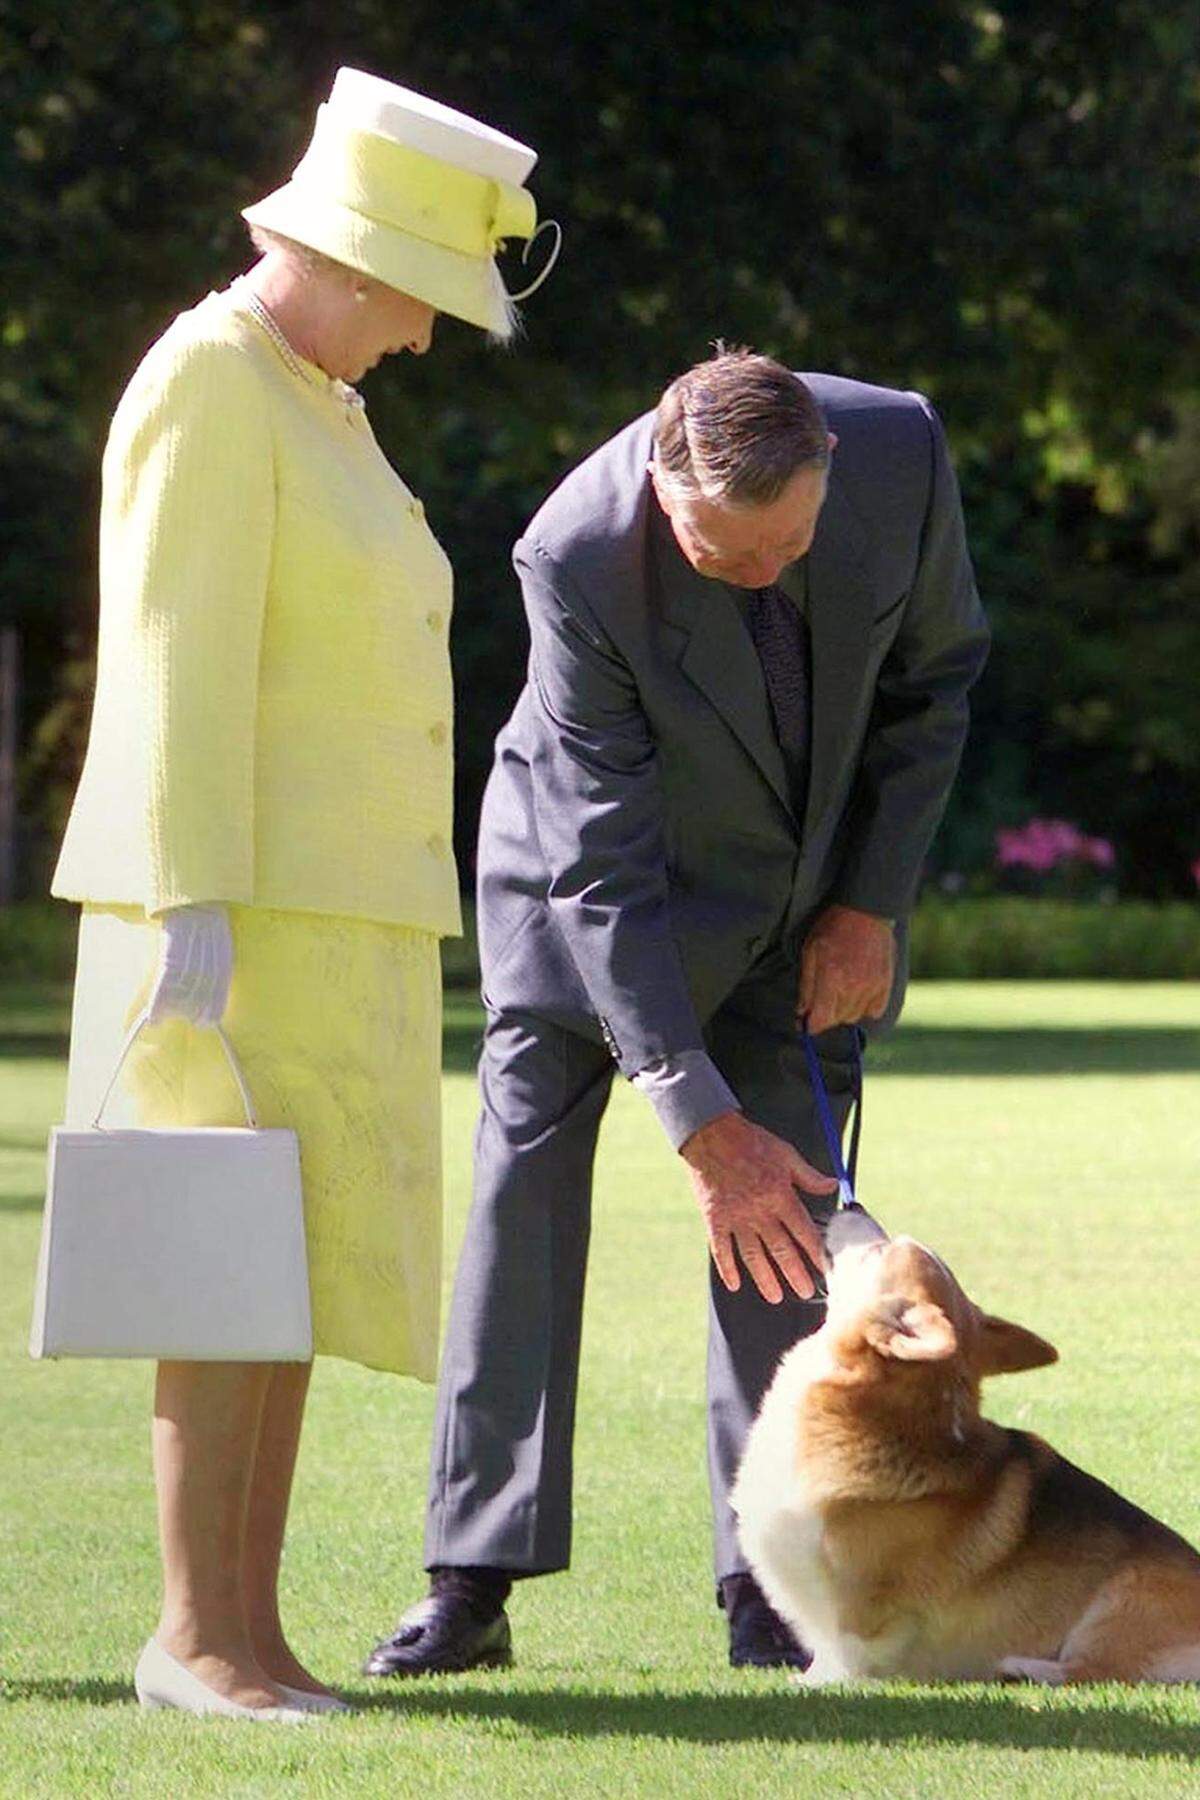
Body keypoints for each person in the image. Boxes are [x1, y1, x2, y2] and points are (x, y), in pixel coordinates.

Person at [49, 66, 556, 1720]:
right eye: (418, 302)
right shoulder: (210, 376)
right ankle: (192, 1638)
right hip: (236, 912)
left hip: (337, 911)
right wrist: (182, 886)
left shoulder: (318, 399)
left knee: (295, 1274)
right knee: (216, 1263)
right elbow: (174, 650)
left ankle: (250, 1641)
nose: (420, 337)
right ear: (347, 261)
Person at [364, 348, 990, 1677]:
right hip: (580, 902)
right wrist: (695, 1116)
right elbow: (599, 858)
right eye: (728, 554)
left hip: (804, 910)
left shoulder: (902, 455)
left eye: (791, 546)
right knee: (521, 1202)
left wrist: (868, 903)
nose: (764, 573)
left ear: (828, 474)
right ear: (662, 481)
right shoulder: (576, 556)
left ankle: (770, 1586)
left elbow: (935, 688)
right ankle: (471, 1580)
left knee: (784, 1232)